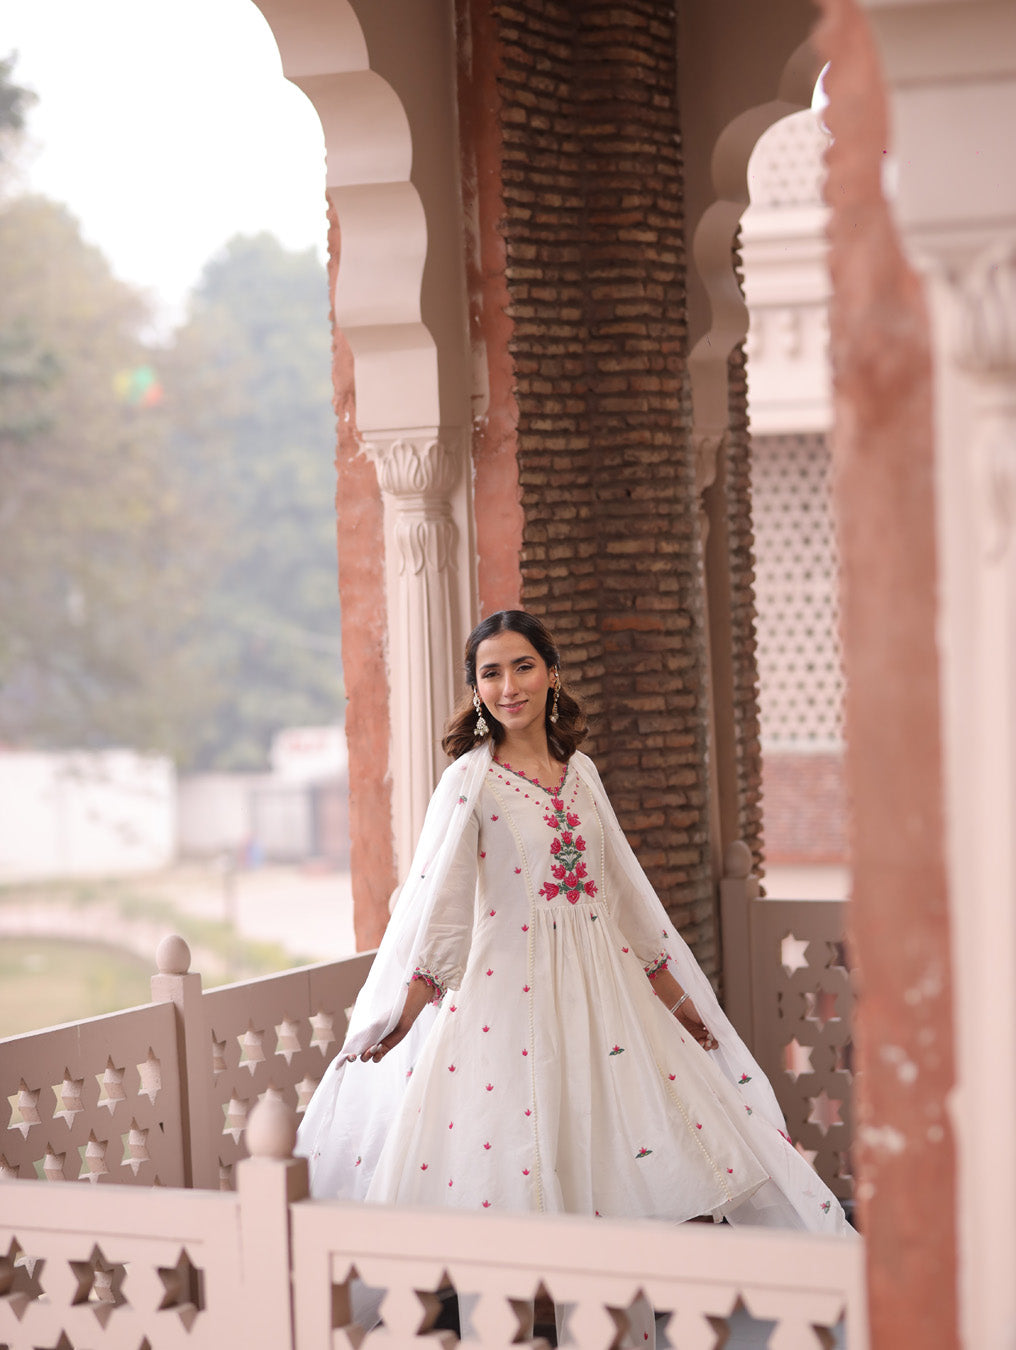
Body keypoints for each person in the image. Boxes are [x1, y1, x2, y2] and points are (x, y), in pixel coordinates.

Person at [297, 611, 852, 1243]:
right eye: (491, 673)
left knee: (652, 1160)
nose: (509, 686)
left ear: (552, 674)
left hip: (605, 993)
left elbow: (622, 895)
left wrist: (677, 1000)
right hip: (509, 1000)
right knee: (527, 1171)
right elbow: (444, 911)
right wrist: (404, 1014)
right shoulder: (467, 783)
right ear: (475, 689)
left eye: (523, 666)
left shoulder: (581, 772)